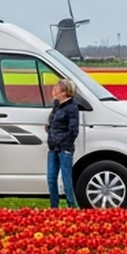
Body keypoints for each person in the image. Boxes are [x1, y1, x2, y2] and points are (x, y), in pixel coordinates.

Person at [45, 79, 79, 208]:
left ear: (64, 92)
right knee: (51, 179)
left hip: (64, 149)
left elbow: (73, 130)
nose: (54, 91)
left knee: (66, 179)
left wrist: (64, 143)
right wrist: (49, 129)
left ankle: (71, 205)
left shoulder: (72, 108)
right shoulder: (56, 105)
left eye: (57, 89)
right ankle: (54, 206)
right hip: (53, 147)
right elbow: (53, 121)